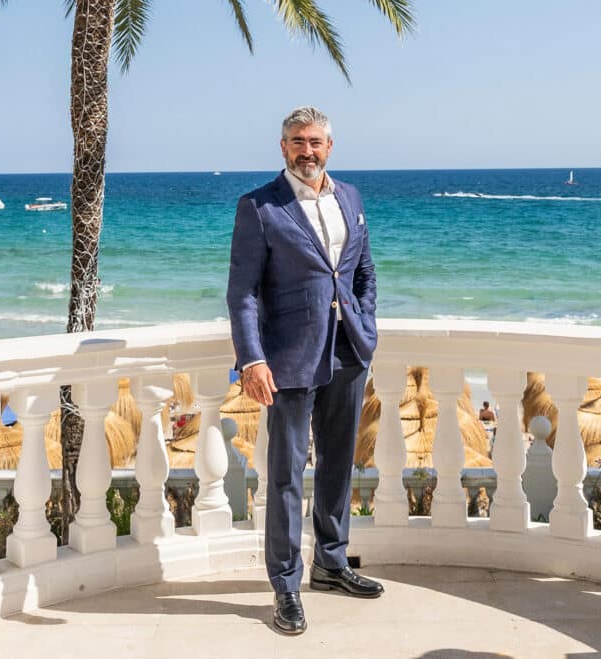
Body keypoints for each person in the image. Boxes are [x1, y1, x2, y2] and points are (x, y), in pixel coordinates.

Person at [227, 106, 381, 635]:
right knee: (287, 476)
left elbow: (363, 271)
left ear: (329, 147)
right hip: (290, 357)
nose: (306, 150)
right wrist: (252, 358)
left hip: (347, 352)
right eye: (297, 141)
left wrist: (366, 324)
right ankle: (286, 586)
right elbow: (243, 293)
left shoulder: (352, 199)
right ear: (283, 147)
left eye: (315, 141)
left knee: (339, 463)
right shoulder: (260, 207)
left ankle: (332, 564)